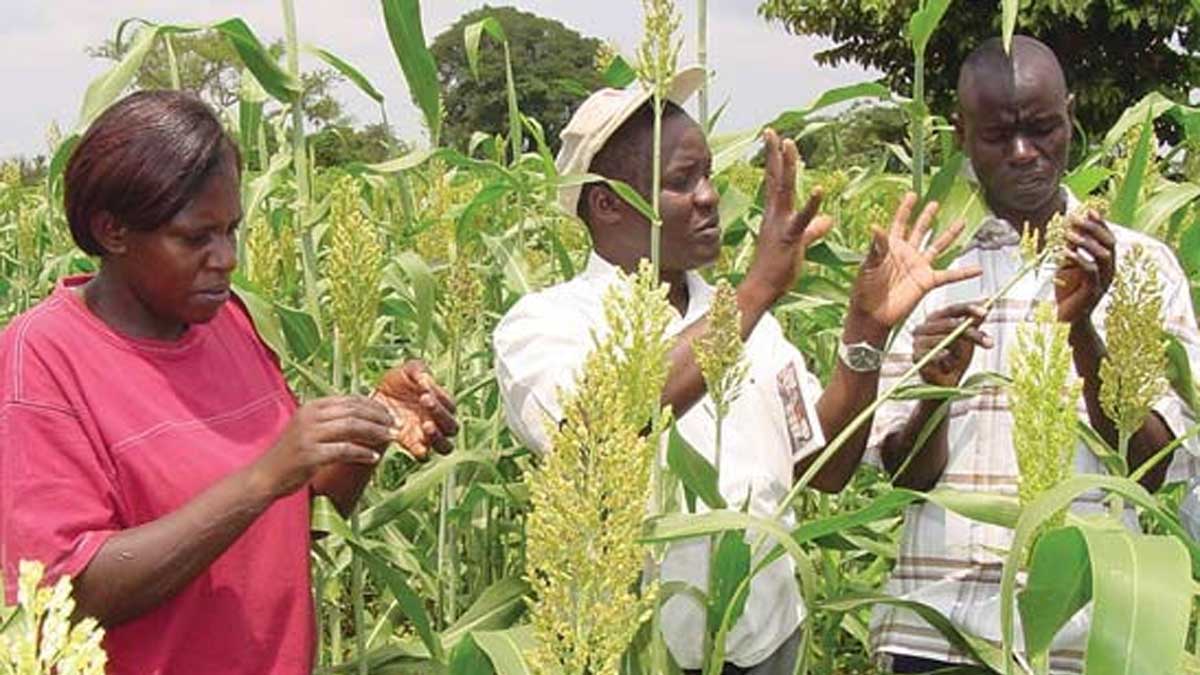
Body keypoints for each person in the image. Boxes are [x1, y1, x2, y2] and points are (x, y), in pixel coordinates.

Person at [494, 67, 980, 674]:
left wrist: (866, 329)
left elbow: (823, 471)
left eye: (707, 176)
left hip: (771, 641)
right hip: (636, 649)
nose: (707, 196)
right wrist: (756, 289)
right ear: (606, 204)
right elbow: (598, 426)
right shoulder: (545, 324)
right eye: (680, 181)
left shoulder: (752, 326)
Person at [0, 90, 458, 674]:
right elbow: (67, 594)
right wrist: (266, 477)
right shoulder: (42, 357)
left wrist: (364, 431)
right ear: (112, 231)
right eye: (196, 238)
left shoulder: (230, 322)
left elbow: (295, 522)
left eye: (231, 230)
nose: (226, 257)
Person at [866, 36, 1200, 674]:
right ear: (961, 133)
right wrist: (937, 389)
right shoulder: (927, 271)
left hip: (1082, 636)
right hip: (938, 633)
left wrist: (1085, 333)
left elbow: (1154, 473)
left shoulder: (1140, 268)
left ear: (1070, 115)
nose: (1025, 153)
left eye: (1043, 128)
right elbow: (905, 480)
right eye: (998, 136)